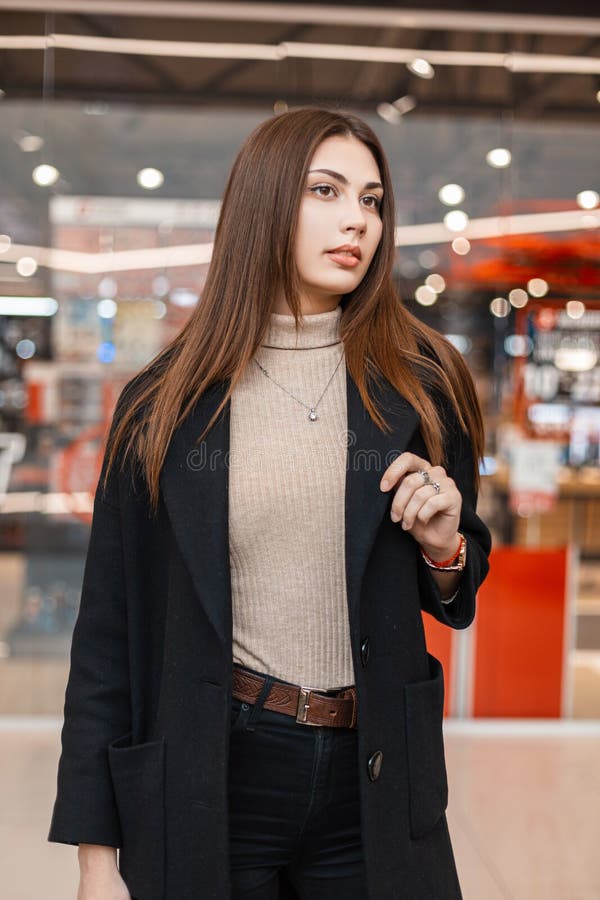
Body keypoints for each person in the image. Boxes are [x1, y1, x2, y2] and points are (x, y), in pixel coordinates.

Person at [48, 106, 492, 900]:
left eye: (372, 199)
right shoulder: (164, 406)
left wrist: (445, 548)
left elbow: (453, 591)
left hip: (377, 773)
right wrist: (94, 855)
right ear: (264, 204)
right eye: (327, 191)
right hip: (219, 766)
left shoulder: (425, 383)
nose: (357, 219)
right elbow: (108, 639)